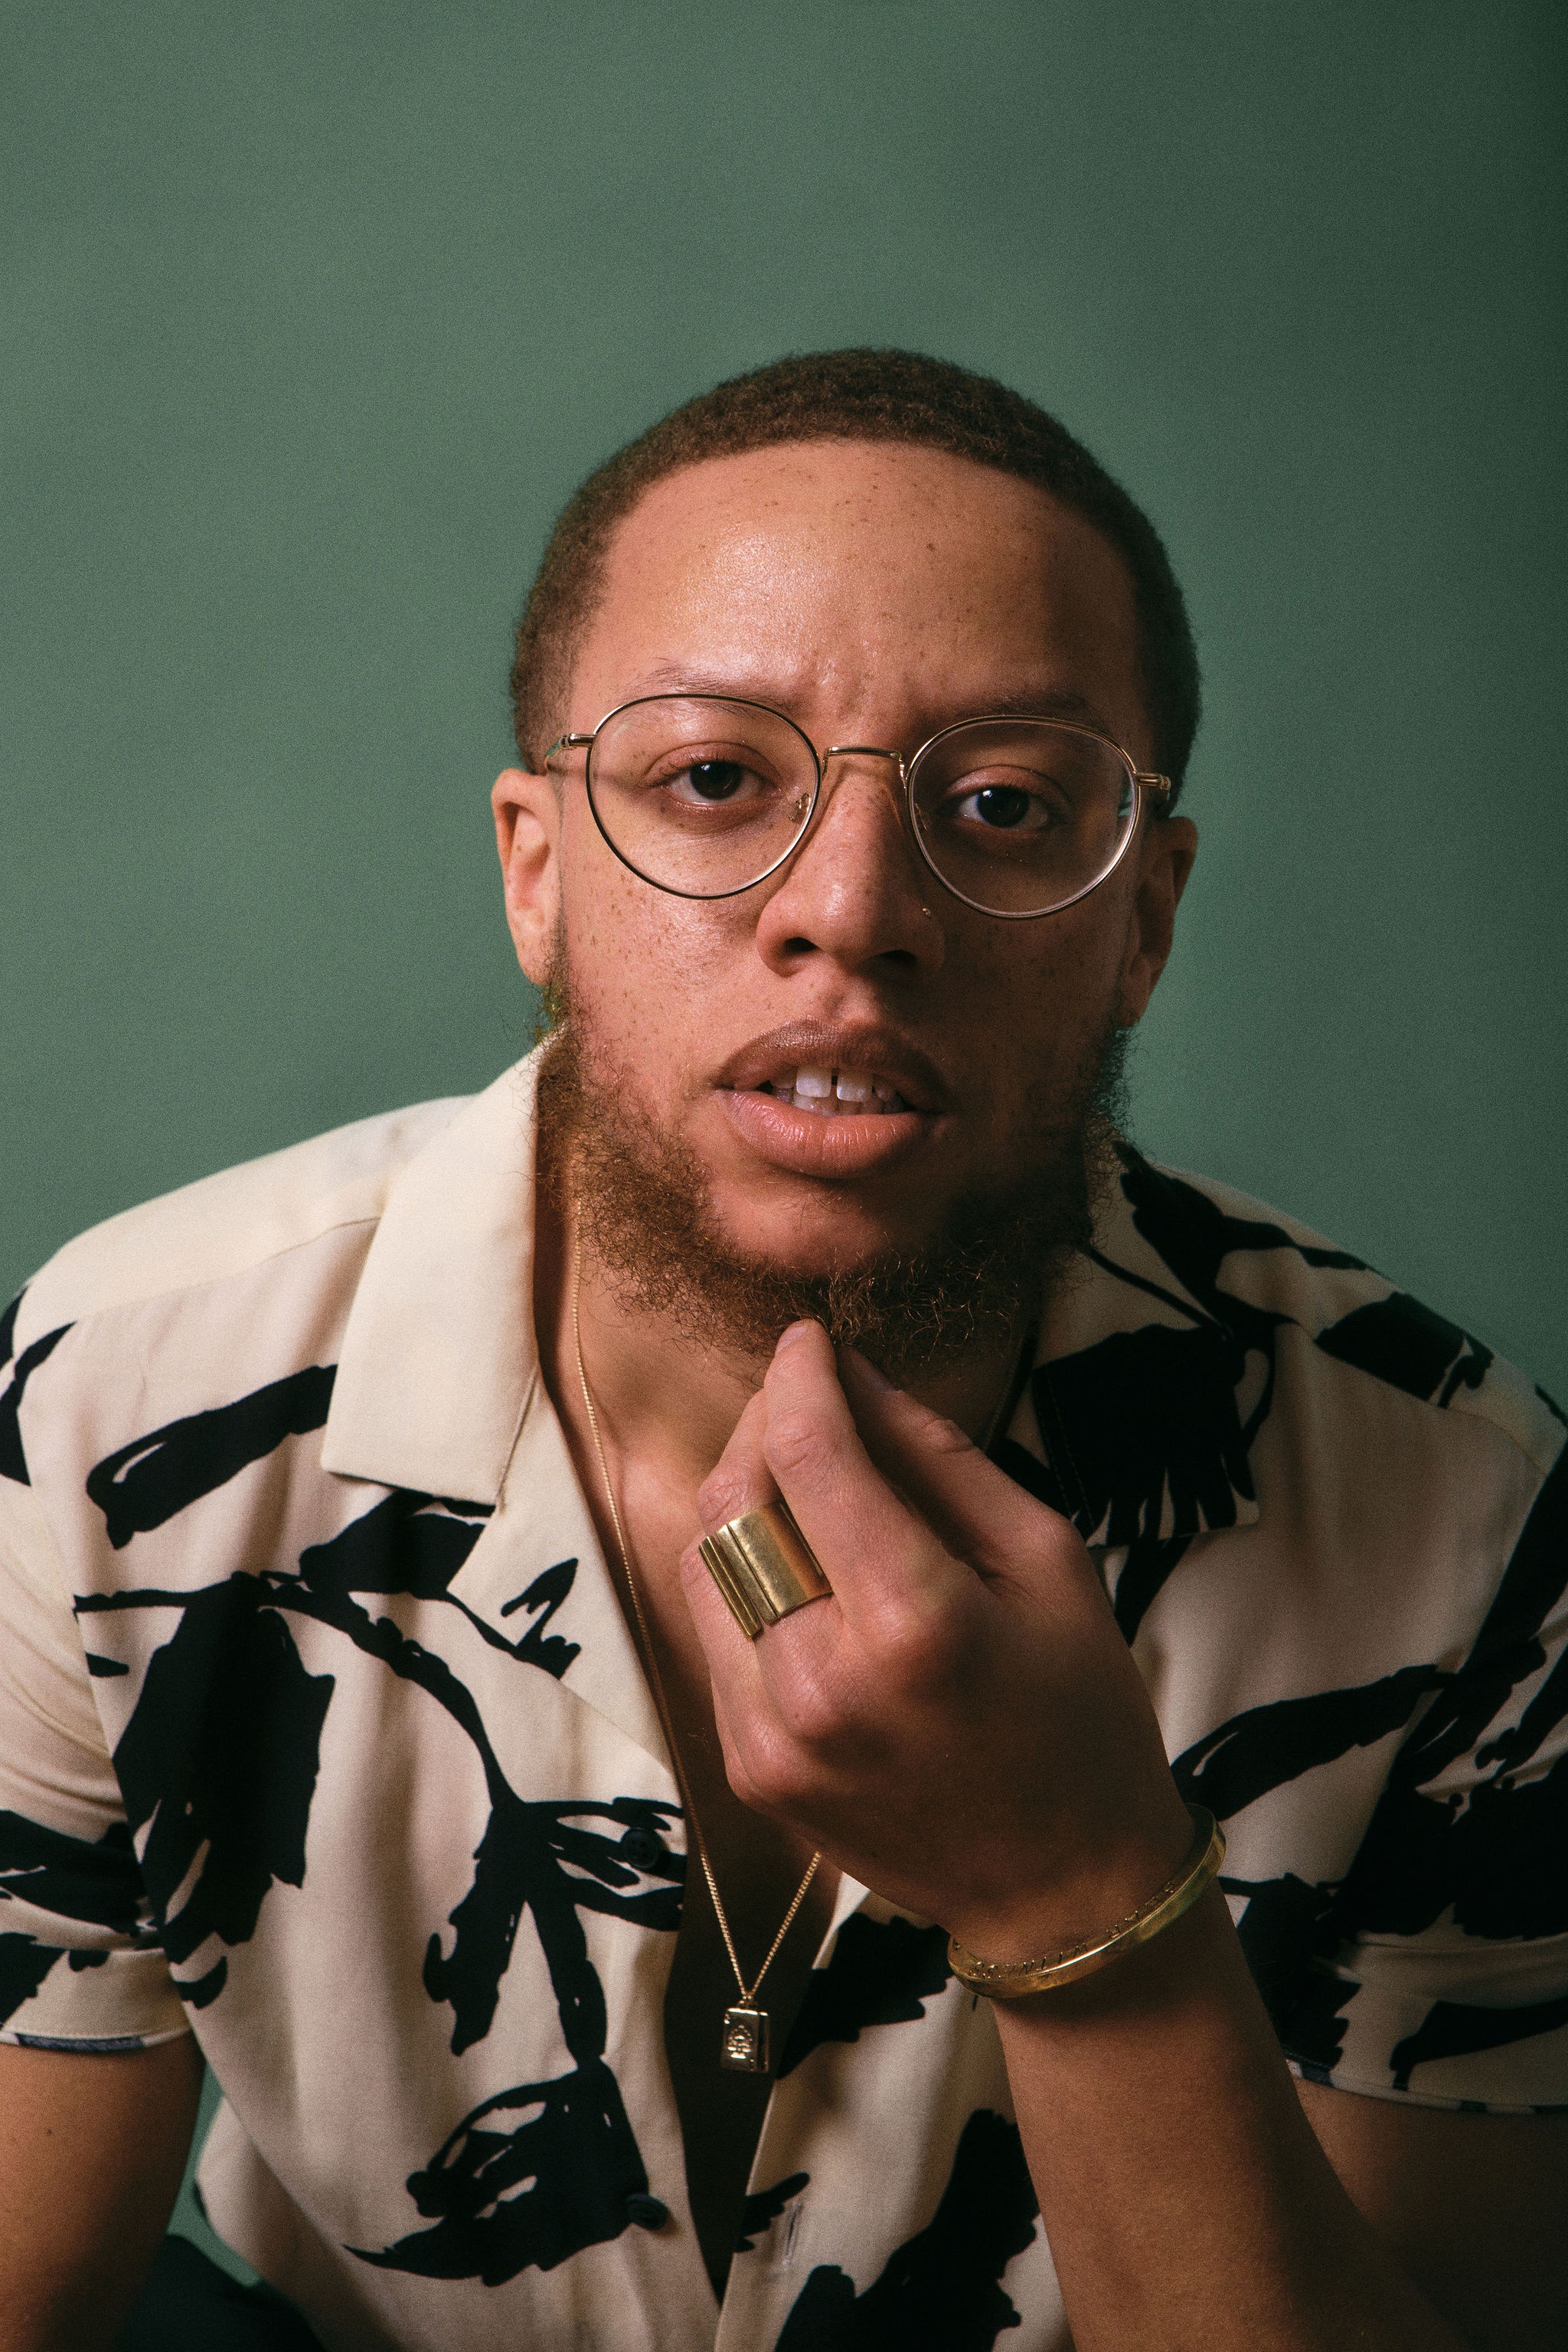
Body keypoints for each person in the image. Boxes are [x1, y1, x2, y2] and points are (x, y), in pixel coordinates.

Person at [0, 351, 1563, 2352]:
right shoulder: (120, 1411)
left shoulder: (1467, 1529)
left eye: (1002, 803)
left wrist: (1084, 1903)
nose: (852, 908)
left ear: (1144, 922)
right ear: (537, 871)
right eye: (716, 777)